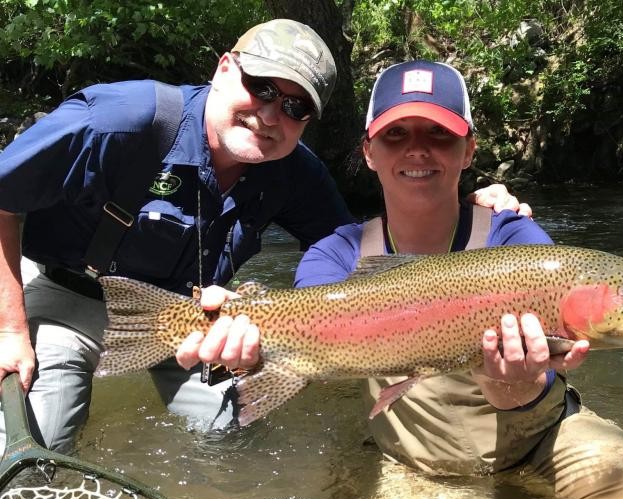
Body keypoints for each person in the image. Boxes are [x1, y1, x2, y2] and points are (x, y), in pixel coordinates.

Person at [0, 20, 524, 453]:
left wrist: (463, 208)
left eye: (296, 108)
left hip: (197, 318)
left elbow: (363, 258)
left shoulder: (296, 173)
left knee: (236, 442)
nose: (271, 115)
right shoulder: (119, 121)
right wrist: (9, 327)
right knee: (38, 444)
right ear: (225, 68)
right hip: (67, 294)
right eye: (263, 88)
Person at [289, 60, 623, 499]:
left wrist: (515, 386)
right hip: (417, 462)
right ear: (368, 151)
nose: (417, 149)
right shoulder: (337, 254)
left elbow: (552, 370)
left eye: (440, 135)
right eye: (396, 134)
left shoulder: (515, 236)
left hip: (541, 439)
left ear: (468, 150)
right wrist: (241, 338)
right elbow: (299, 335)